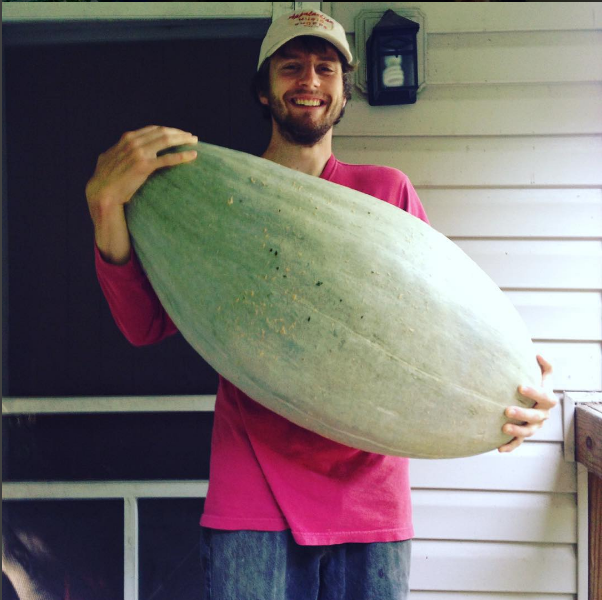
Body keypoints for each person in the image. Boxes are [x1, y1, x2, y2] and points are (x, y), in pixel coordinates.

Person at [86, 9, 557, 599]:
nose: (309, 79)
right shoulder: (216, 199)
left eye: (325, 67)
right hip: (252, 499)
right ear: (264, 88)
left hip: (370, 500)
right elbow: (144, 325)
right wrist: (106, 208)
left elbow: (439, 325)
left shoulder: (388, 191)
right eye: (291, 66)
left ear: (342, 91)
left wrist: (511, 391)